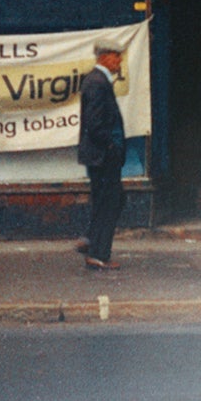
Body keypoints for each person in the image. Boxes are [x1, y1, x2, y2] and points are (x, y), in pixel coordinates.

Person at [78, 39, 129, 270]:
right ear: (104, 57)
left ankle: (92, 242)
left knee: (107, 201)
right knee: (110, 202)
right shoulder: (98, 82)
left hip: (101, 155)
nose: (119, 60)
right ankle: (98, 254)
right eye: (116, 56)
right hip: (103, 156)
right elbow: (95, 123)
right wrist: (111, 147)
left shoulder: (97, 81)